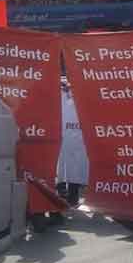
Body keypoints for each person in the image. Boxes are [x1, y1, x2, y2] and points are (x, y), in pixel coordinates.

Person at [55, 75, 88, 220]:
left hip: (79, 136)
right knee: (62, 164)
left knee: (77, 163)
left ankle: (72, 195)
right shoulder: (60, 94)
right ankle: (63, 193)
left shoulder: (82, 92)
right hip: (64, 135)